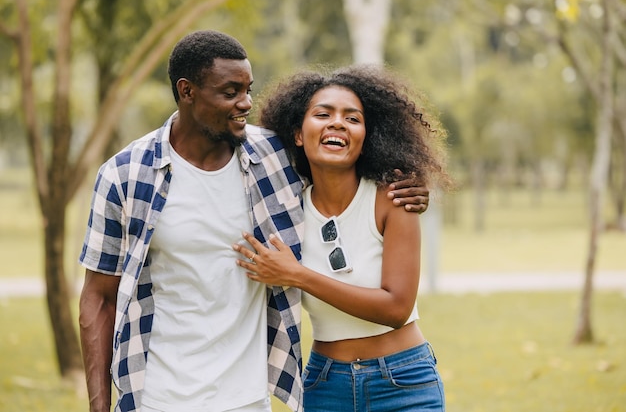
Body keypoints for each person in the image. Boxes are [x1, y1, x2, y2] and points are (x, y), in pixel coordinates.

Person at [78, 30, 430, 412]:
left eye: (248, 90)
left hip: (248, 399)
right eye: (230, 92)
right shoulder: (125, 176)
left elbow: (338, 164)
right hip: (159, 397)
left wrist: (409, 185)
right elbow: (98, 297)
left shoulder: (274, 158)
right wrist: (99, 406)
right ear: (187, 91)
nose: (246, 103)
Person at [233, 64, 450, 411]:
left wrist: (297, 275)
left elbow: (396, 308)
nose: (337, 123)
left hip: (404, 383)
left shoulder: (394, 198)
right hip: (325, 385)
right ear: (299, 135)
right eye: (323, 114)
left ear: (366, 139)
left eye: (352, 118)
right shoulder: (285, 212)